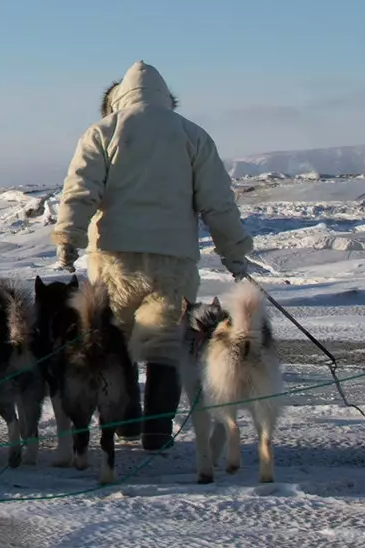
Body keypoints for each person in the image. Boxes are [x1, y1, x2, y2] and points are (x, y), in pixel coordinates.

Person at [51, 60, 253, 450]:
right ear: (166, 98)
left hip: (114, 259)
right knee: (164, 345)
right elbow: (218, 203)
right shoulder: (192, 135)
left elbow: (80, 190)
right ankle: (157, 433)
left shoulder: (102, 132)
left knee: (118, 341)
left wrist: (68, 238)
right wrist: (234, 254)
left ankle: (124, 423)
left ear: (117, 98)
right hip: (173, 262)